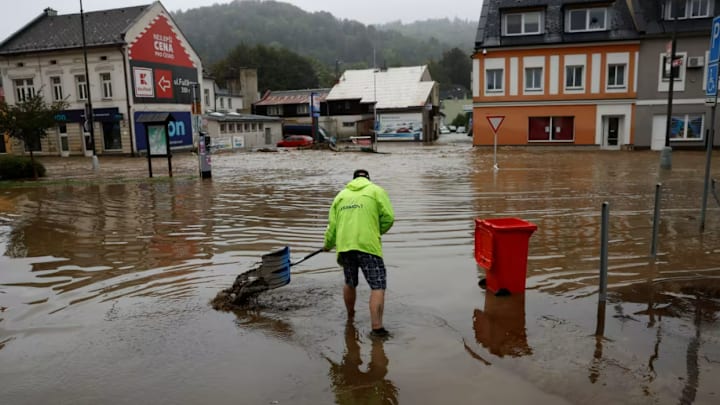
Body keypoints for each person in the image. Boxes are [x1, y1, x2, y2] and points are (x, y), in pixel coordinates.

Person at [323, 169, 394, 337]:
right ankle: (377, 328)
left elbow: (332, 227)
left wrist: (328, 244)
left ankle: (350, 316)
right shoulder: (376, 191)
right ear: (368, 179)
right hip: (368, 246)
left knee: (350, 282)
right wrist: (375, 231)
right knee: (377, 286)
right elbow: (389, 218)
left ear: (353, 180)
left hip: (345, 246)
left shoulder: (340, 196)